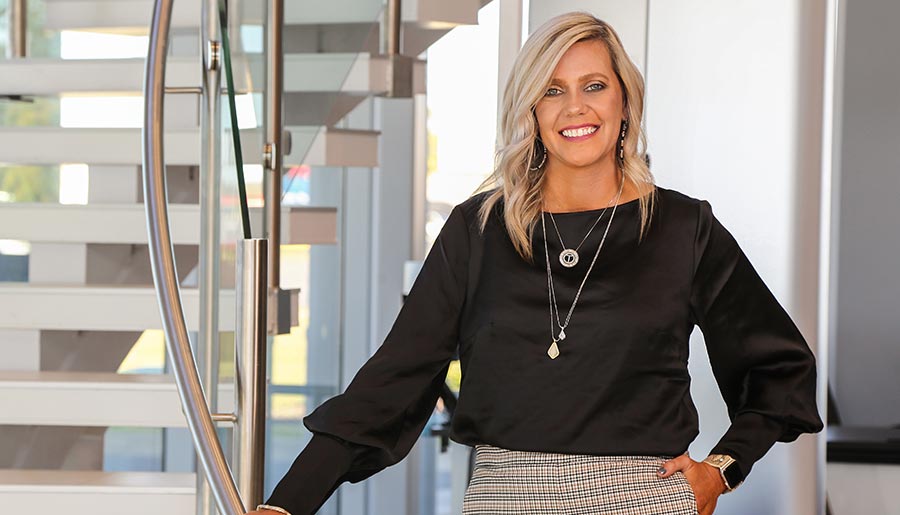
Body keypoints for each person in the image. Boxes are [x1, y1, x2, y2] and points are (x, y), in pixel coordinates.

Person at [248, 11, 823, 515]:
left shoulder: (682, 228)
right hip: (504, 498)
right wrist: (287, 503)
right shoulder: (477, 230)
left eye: (594, 85)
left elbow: (779, 368)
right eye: (552, 90)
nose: (576, 107)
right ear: (532, 110)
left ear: (624, 101)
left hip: (644, 501)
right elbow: (393, 381)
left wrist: (723, 468)